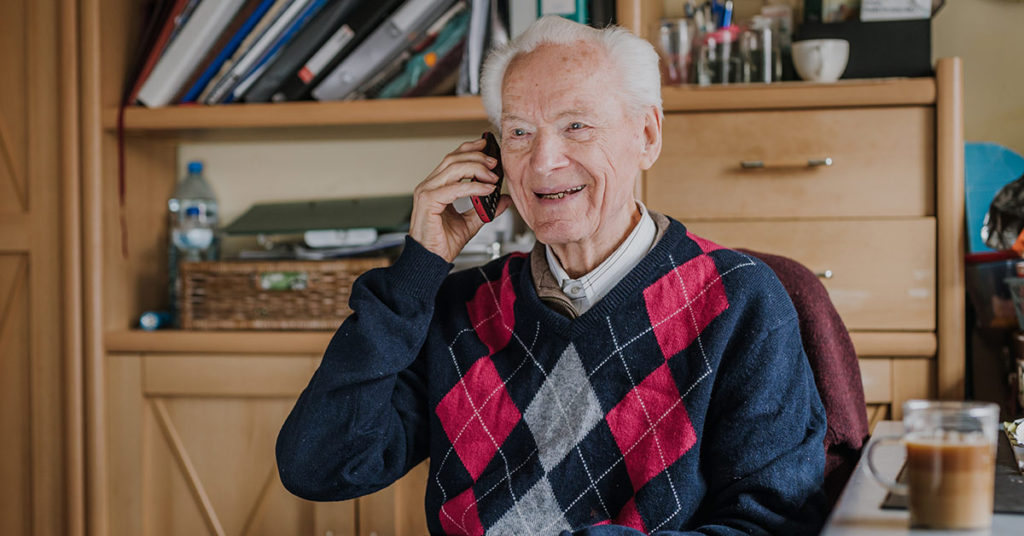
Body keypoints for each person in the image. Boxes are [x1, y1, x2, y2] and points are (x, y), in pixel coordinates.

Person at [277, 16, 826, 535]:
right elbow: (320, 465)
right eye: (518, 133)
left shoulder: (739, 300)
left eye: (576, 126)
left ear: (647, 136)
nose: (542, 163)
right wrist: (419, 270)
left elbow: (772, 524)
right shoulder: (460, 309)